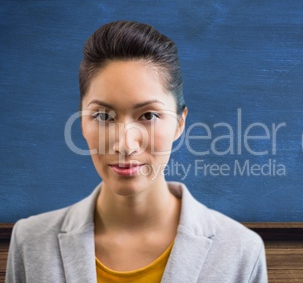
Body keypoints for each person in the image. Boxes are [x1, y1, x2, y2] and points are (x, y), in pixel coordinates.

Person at [6, 21, 267, 283]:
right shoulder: (30, 242)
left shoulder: (241, 252)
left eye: (148, 115)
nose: (125, 145)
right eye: (103, 116)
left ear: (179, 123)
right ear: (82, 122)